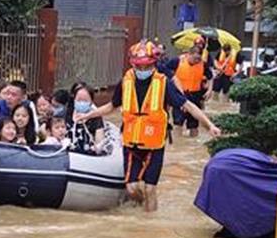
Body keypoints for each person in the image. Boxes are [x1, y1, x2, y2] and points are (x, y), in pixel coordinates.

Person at [76, 40, 220, 212]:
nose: (143, 71)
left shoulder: (163, 83)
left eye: (147, 67)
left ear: (154, 64)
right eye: (139, 67)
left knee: (150, 188)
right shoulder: (126, 81)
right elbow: (111, 107)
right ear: (133, 64)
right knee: (131, 188)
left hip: (154, 144)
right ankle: (140, 208)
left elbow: (188, 105)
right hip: (131, 143)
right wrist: (88, 115)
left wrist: (209, 125)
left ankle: (149, 222)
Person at [171, 37, 213, 138]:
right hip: (180, 95)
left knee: (194, 125)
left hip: (195, 95)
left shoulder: (203, 64)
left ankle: (192, 143)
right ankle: (177, 144)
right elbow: (165, 73)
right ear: (188, 54)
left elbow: (211, 76)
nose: (196, 61)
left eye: (199, 59)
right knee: (178, 123)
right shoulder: (177, 61)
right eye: (195, 58)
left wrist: (210, 90)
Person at [68, 82, 106, 154]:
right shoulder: (68, 113)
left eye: (85, 100)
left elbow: (100, 142)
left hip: (88, 157)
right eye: (79, 100)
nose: (81, 103)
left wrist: (97, 147)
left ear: (91, 102)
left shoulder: (96, 117)